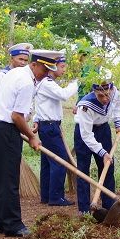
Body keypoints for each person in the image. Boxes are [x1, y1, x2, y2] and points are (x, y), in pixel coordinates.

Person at [0, 49, 58, 237]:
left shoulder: (15, 72)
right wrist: (32, 137)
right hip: (6, 131)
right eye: (44, 71)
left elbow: (14, 112)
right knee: (9, 180)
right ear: (35, 64)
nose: (45, 76)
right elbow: (16, 116)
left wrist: (26, 128)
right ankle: (13, 225)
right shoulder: (26, 82)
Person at [73, 74, 120, 216]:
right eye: (100, 96)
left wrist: (118, 123)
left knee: (107, 167)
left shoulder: (115, 94)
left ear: (112, 89)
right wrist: (102, 152)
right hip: (85, 133)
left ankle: (109, 206)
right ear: (94, 92)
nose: (105, 99)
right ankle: (84, 209)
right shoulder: (85, 105)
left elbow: (117, 108)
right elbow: (87, 136)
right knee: (83, 170)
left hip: (103, 130)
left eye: (107, 95)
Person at [33, 54, 79, 206]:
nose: (64, 70)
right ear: (52, 67)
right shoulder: (47, 83)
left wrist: (36, 119)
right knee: (60, 160)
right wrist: (77, 83)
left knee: (48, 162)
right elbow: (64, 95)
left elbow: (40, 105)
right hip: (50, 127)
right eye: (62, 66)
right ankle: (55, 197)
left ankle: (46, 196)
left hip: (47, 126)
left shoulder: (45, 83)